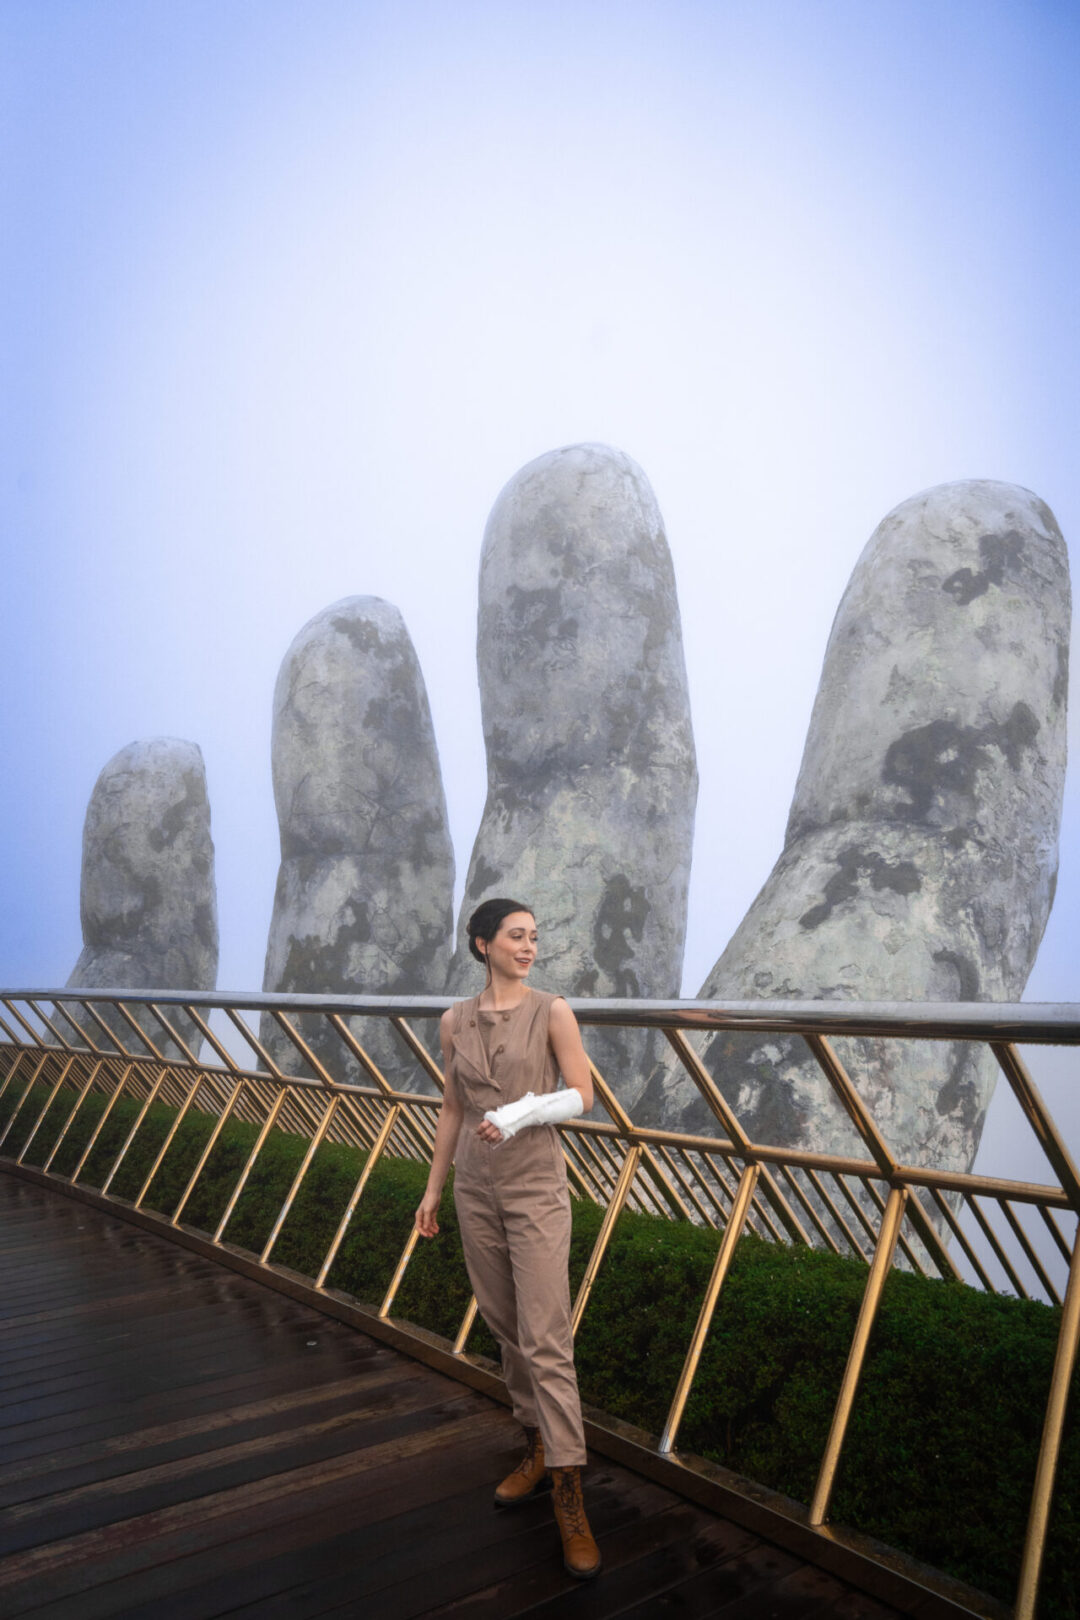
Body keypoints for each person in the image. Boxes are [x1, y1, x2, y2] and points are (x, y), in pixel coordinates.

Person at [415, 897, 601, 1580]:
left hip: (534, 1189)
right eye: (516, 937)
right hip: (476, 1189)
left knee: (547, 1335)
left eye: (534, 937)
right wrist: (434, 1189)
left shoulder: (551, 1010)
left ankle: (570, 1491)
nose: (529, 947)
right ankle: (537, 1448)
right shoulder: (453, 1022)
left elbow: (582, 1094)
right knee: (504, 1326)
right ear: (481, 944)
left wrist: (522, 1113)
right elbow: (454, 1109)